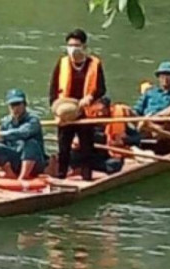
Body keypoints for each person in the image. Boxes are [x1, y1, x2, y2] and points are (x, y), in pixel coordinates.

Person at [49, 28, 107, 180]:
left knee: (87, 148)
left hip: (85, 112)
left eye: (76, 45)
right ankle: (61, 176)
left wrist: (91, 97)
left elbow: (101, 88)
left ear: (84, 47)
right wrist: (56, 112)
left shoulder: (94, 64)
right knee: (63, 147)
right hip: (66, 111)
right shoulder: (62, 63)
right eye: (70, 45)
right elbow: (53, 90)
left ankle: (87, 177)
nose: (73, 49)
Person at [69, 97, 141, 175]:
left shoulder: (117, 122)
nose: (100, 114)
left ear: (108, 109)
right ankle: (77, 169)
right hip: (90, 155)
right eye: (96, 111)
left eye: (102, 110)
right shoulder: (88, 123)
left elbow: (137, 138)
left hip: (107, 158)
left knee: (115, 164)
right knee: (72, 153)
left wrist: (124, 140)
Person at [133, 61, 170, 136]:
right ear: (159, 77)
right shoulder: (150, 92)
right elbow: (137, 110)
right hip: (143, 124)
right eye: (163, 75)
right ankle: (145, 126)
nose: (165, 78)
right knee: (122, 109)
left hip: (164, 129)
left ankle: (149, 124)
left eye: (168, 75)